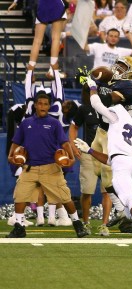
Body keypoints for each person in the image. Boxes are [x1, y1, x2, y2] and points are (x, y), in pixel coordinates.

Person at [75, 77, 132, 256]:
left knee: (129, 202)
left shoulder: (119, 112)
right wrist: (90, 151)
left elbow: (96, 103)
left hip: (122, 165)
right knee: (130, 207)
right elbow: (112, 159)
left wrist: (93, 86)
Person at [6, 90, 87, 238]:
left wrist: (71, 157)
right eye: (40, 103)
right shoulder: (26, 123)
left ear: (49, 107)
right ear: (36, 105)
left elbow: (64, 142)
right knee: (20, 196)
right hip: (29, 168)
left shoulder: (54, 123)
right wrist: (11, 155)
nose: (43, 106)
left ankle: (77, 224)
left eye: (46, 104)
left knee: (65, 197)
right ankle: (19, 227)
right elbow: (16, 141)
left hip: (50, 167)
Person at [75, 56, 132, 228]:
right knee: (98, 169)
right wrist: (88, 81)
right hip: (100, 130)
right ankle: (119, 209)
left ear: (131, 72)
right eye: (117, 64)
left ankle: (121, 209)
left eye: (122, 66)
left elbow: (109, 99)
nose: (117, 68)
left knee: (108, 171)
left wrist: (94, 83)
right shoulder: (111, 80)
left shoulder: (130, 86)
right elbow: (89, 99)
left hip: (113, 132)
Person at [69, 103, 112, 236]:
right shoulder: (84, 108)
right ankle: (86, 222)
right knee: (87, 191)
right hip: (88, 153)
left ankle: (104, 225)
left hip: (106, 153)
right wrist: (73, 145)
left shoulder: (112, 108)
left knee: (107, 191)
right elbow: (74, 126)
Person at [8, 0, 67, 77]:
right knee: (56, 38)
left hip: (43, 5)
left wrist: (15, 1)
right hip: (56, 3)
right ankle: (53, 70)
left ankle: (30, 72)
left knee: (37, 41)